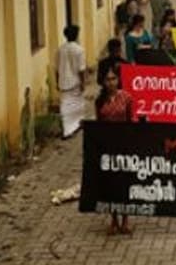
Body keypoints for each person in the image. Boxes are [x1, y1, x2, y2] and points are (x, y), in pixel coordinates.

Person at [95, 67, 135, 235]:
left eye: (113, 79)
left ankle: (125, 220)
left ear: (118, 80)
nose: (111, 82)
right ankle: (113, 219)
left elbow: (131, 120)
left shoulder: (126, 98)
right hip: (107, 146)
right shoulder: (99, 101)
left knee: (123, 183)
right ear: (103, 82)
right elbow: (98, 123)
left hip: (123, 145)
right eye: (107, 79)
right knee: (110, 183)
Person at [56, 25, 86, 139]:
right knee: (76, 103)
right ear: (77, 35)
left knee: (65, 105)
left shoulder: (60, 49)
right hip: (75, 81)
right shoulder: (79, 50)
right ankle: (70, 129)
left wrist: (57, 81)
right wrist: (83, 82)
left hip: (63, 81)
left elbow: (57, 68)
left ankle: (70, 127)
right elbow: (81, 69)